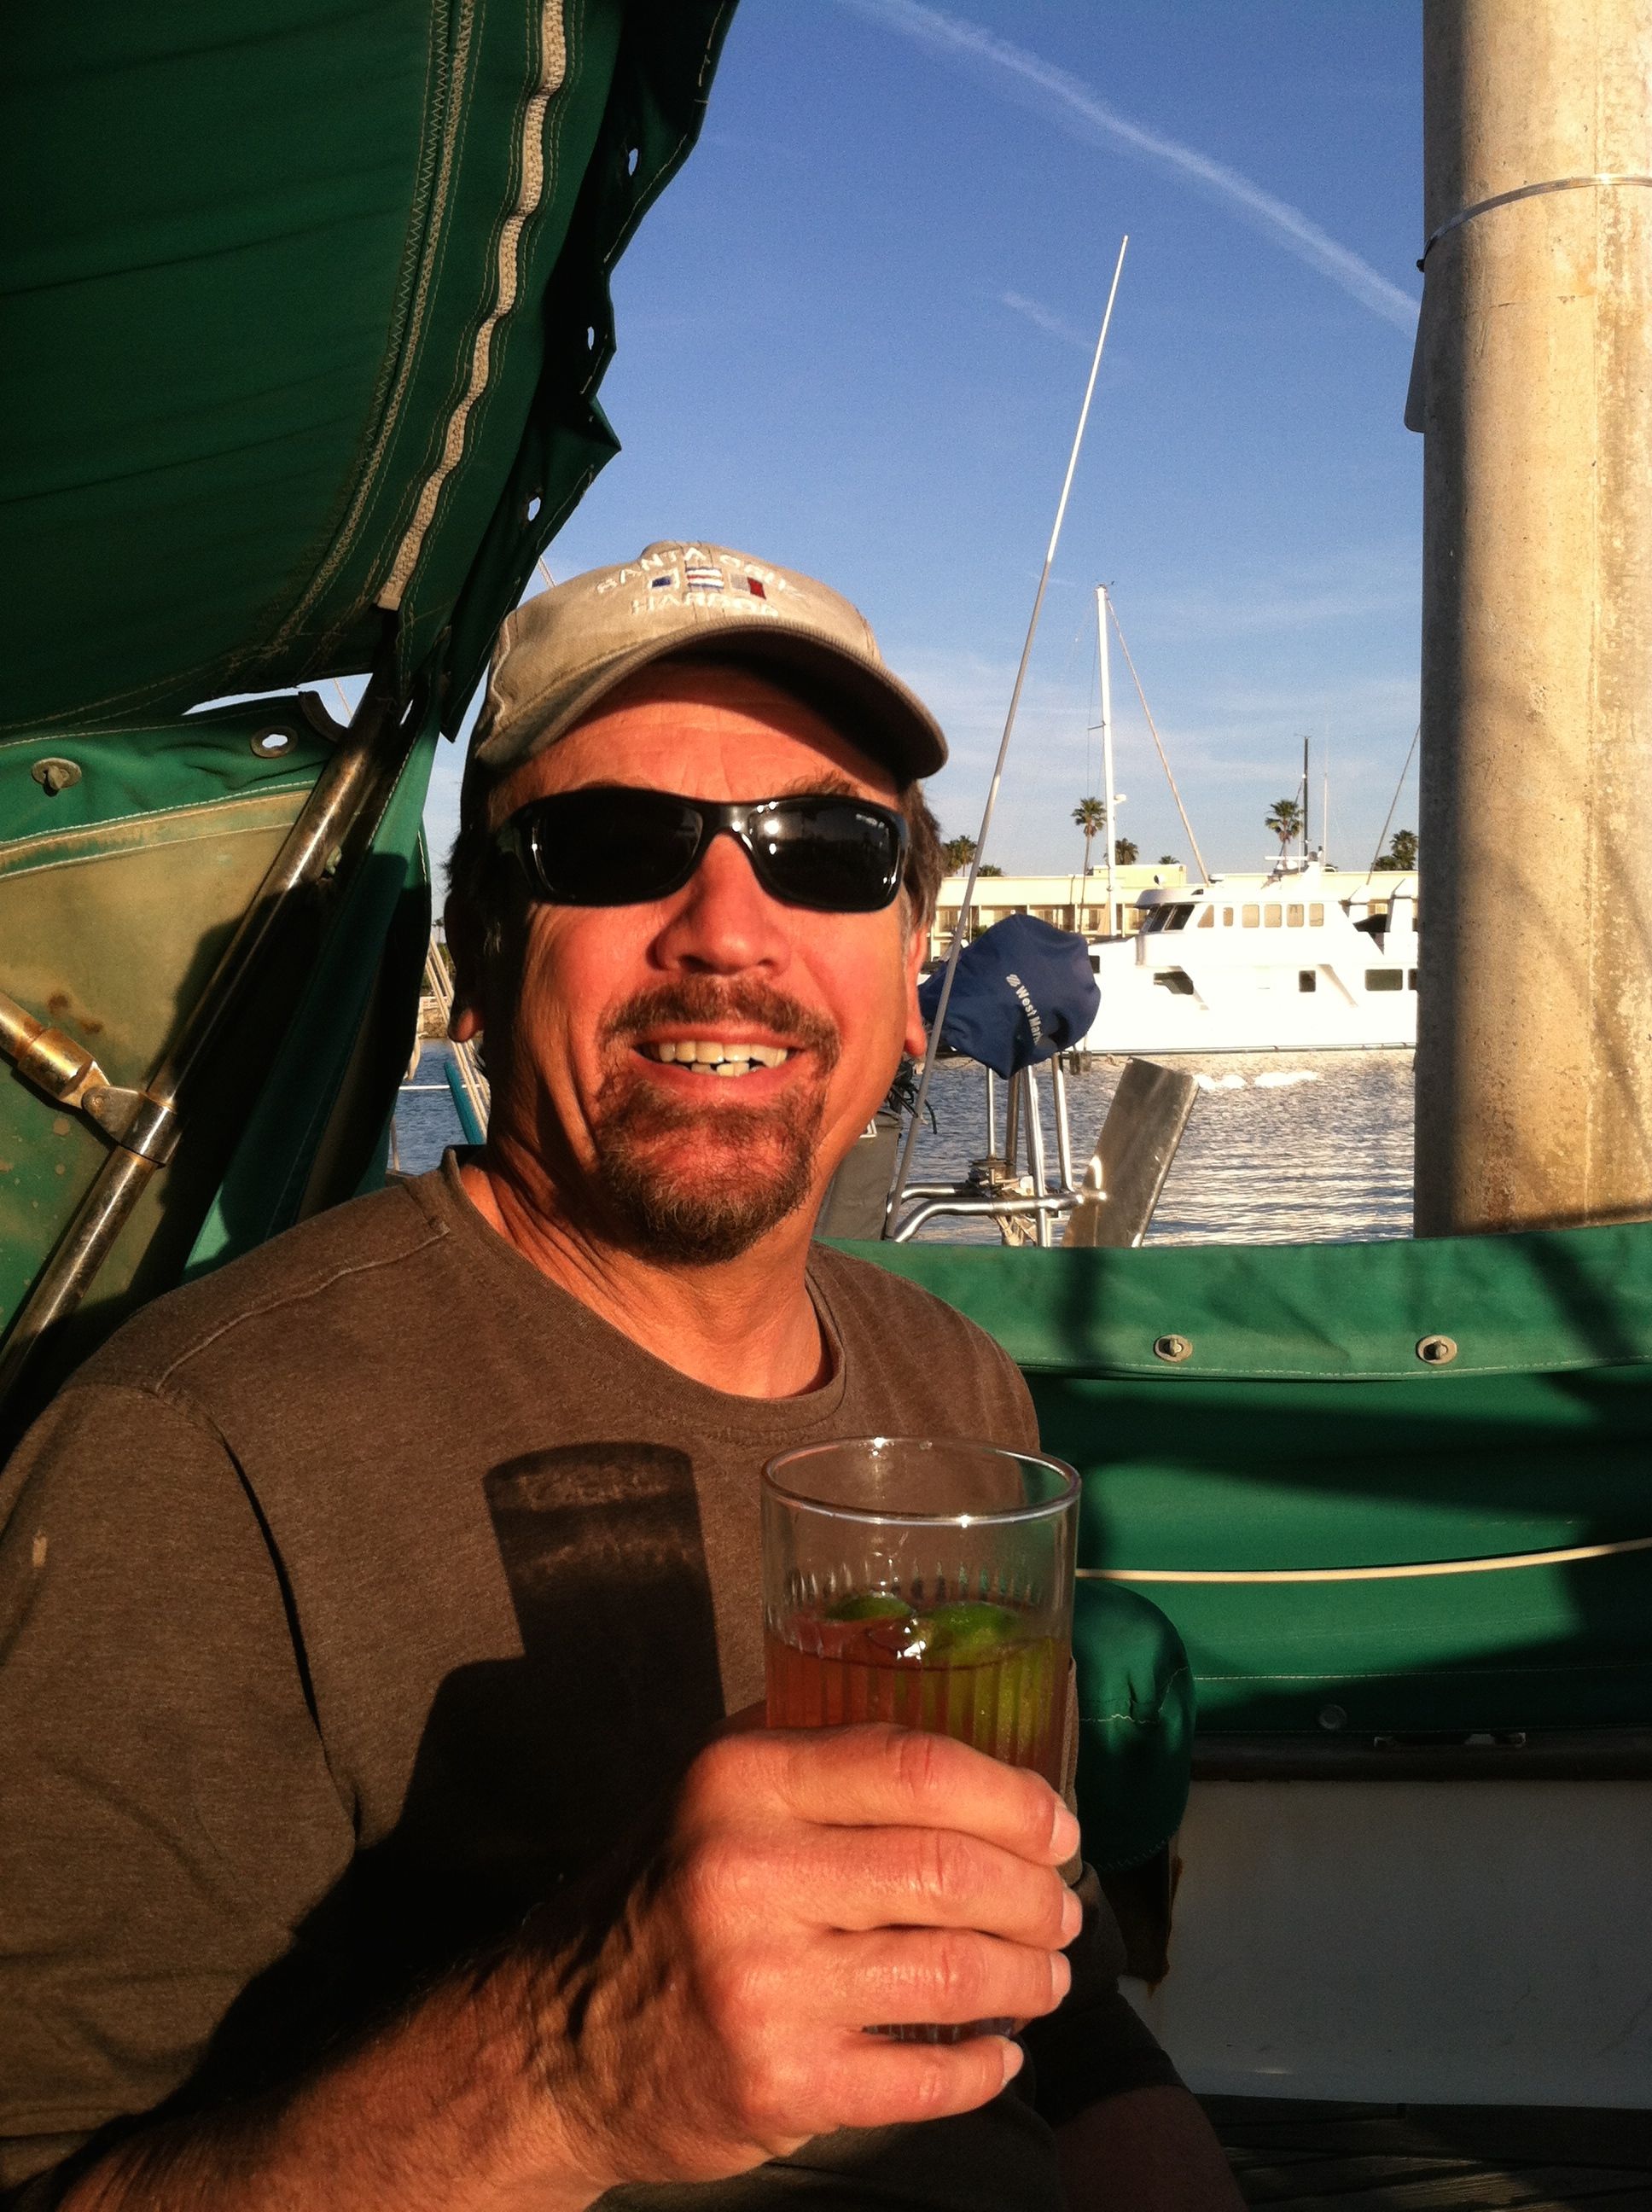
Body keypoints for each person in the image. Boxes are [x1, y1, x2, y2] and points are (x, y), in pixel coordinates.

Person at [0, 543, 1241, 2212]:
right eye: (613, 847)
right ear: (480, 958)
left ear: (907, 973)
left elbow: (1048, 1978)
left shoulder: (951, 1385)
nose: (726, 931)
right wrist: (566, 2064)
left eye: (826, 852)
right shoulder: (191, 1461)